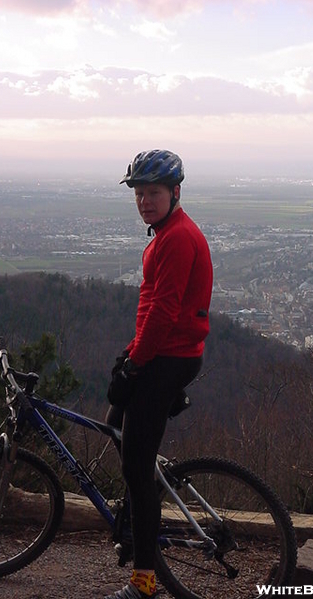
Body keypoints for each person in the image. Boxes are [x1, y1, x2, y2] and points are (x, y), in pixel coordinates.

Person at [105, 149, 213, 599]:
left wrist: (135, 365)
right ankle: (134, 521)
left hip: (170, 357)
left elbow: (165, 313)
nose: (145, 201)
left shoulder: (177, 239)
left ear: (175, 193)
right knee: (115, 424)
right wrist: (130, 353)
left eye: (153, 192)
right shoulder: (165, 233)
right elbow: (151, 307)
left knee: (135, 466)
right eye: (139, 193)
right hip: (163, 352)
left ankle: (144, 580)